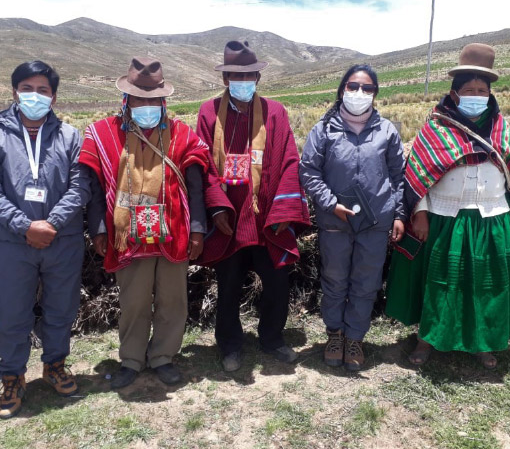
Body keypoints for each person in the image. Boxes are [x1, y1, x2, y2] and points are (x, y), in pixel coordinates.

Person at [80, 57, 209, 389]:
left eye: (154, 100)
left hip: (173, 233)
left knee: (173, 300)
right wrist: (98, 228)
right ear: (127, 100)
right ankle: (132, 359)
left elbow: (196, 186)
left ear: (163, 101)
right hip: (129, 236)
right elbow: (94, 186)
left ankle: (163, 356)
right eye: (141, 99)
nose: (148, 106)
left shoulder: (182, 135)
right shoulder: (104, 134)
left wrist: (197, 227)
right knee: (134, 301)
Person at [386, 43, 510, 369]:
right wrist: (421, 213)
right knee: (440, 281)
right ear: (454, 94)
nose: (476, 95)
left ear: (490, 94)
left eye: (482, 90)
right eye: (468, 89)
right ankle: (427, 339)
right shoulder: (436, 127)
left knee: (485, 284)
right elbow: (417, 173)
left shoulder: (502, 127)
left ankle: (482, 343)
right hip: (445, 218)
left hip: (491, 218)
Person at [196, 41, 310, 372]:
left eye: (248, 75)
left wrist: (283, 214)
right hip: (228, 219)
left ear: (258, 77)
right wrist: (217, 209)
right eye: (235, 74)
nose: (242, 80)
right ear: (225, 78)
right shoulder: (208, 112)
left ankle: (272, 338)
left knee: (277, 282)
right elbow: (201, 163)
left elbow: (289, 159)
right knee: (228, 283)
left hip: (266, 219)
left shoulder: (275, 112)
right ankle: (230, 344)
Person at [0, 61, 91, 419]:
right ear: (14, 92)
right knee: (11, 311)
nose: (34, 96)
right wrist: (25, 226)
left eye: (43, 90)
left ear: (54, 96)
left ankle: (55, 365)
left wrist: (51, 223)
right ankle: (11, 375)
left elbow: (80, 185)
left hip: (62, 239)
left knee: (61, 308)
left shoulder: (71, 136)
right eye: (27, 88)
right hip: (11, 241)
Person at [299, 64, 405, 371]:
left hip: (376, 221)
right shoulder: (323, 130)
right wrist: (331, 204)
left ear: (375, 94)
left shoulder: (387, 130)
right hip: (335, 222)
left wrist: (399, 213)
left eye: (367, 88)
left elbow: (398, 175)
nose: (360, 93)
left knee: (366, 281)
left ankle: (355, 338)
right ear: (342, 89)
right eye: (353, 86)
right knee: (334, 280)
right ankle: (335, 334)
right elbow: (309, 171)